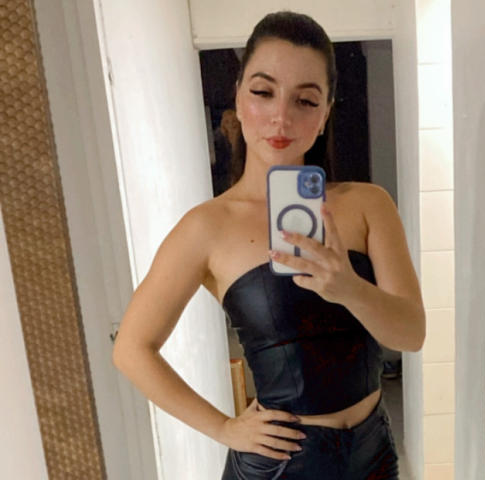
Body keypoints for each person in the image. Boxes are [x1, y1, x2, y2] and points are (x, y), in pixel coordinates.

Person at [112, 11, 425, 480]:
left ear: (325, 113)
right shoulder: (206, 228)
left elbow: (411, 334)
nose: (282, 116)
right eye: (263, 92)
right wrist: (223, 428)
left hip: (373, 454)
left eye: (306, 100)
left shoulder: (368, 204)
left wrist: (349, 289)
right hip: (280, 465)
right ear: (239, 96)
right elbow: (132, 349)